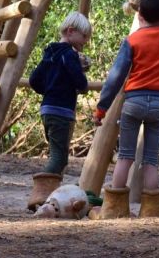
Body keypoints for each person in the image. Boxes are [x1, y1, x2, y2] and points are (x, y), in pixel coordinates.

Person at [91, 0, 159, 218]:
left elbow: (115, 77)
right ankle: (153, 209)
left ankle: (114, 208)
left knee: (125, 156)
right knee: (150, 159)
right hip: (158, 104)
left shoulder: (132, 41)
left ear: (139, 16)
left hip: (133, 102)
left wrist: (101, 109)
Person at [26, 11, 92, 210]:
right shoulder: (68, 55)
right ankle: (41, 196)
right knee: (59, 158)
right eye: (84, 36)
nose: (86, 41)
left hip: (47, 109)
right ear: (71, 31)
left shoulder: (50, 52)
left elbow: (34, 80)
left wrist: (50, 90)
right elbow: (81, 83)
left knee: (57, 154)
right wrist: (81, 72)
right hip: (61, 111)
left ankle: (47, 197)